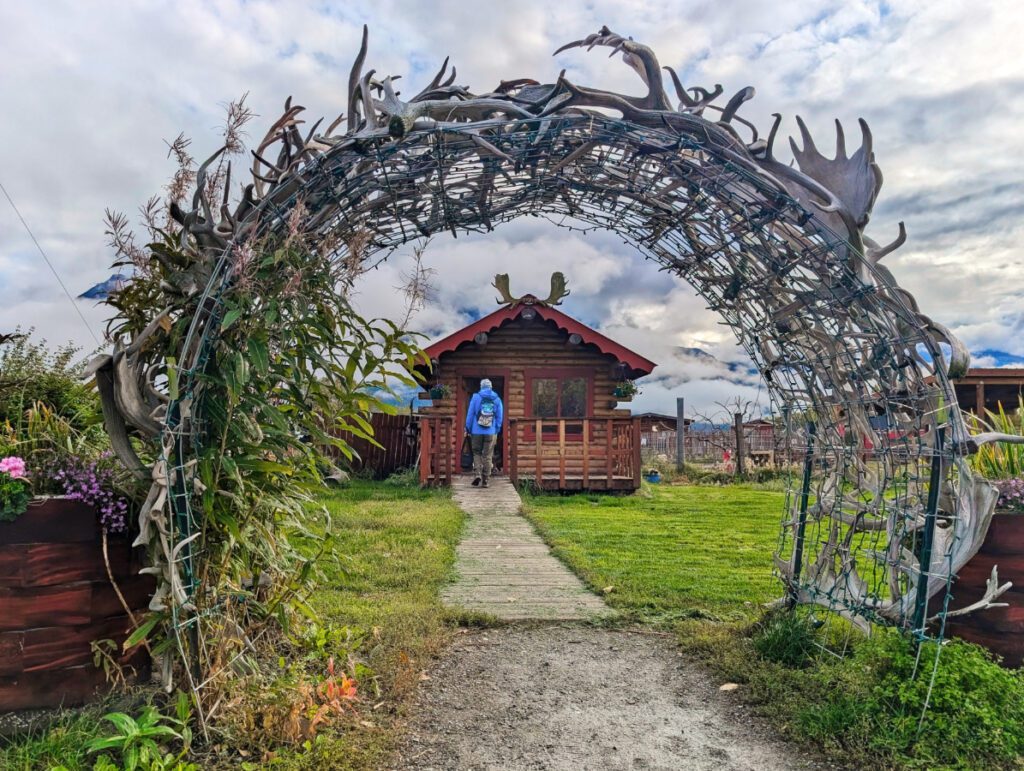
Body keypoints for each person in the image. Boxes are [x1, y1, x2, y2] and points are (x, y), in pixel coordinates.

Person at [465, 378, 503, 487]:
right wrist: (496, 429)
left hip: (476, 431)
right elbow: (499, 417)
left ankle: (477, 474)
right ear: (491, 387)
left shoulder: (476, 397)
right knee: (487, 455)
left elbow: (470, 414)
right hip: (491, 431)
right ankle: (485, 480)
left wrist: (467, 428)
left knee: (476, 452)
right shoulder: (497, 399)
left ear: (481, 387)